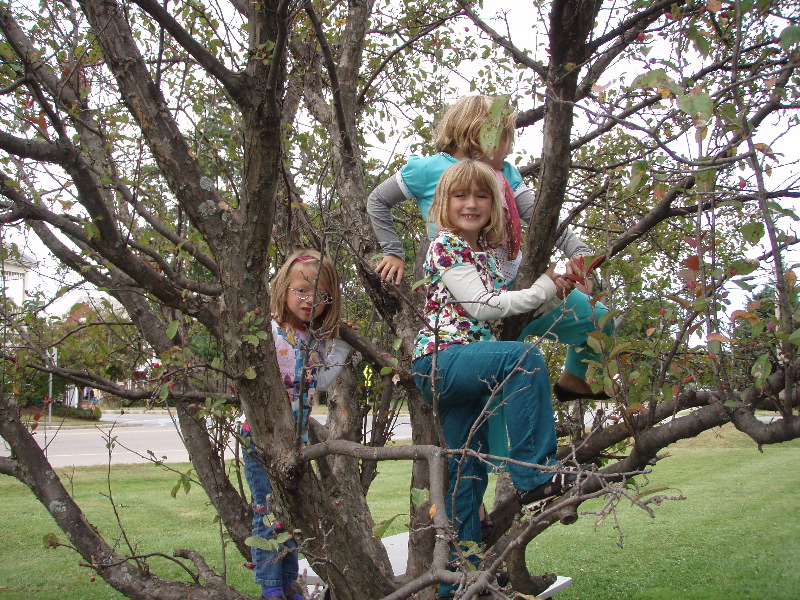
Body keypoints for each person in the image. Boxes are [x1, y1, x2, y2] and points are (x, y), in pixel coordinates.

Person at [411, 160, 585, 598]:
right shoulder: (445, 246)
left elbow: (511, 300)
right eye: (460, 196)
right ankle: (534, 477)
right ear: (443, 203)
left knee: (466, 468)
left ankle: (461, 576)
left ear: (495, 204)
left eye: (482, 196)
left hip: (469, 367)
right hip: (442, 362)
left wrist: (556, 285)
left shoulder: (486, 256)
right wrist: (546, 285)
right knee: (524, 359)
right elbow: (487, 305)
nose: (471, 204)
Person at [368, 94, 612, 402]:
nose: (508, 148)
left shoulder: (506, 172)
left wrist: (577, 251)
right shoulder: (428, 170)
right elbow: (378, 200)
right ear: (479, 133)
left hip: (518, 285)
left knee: (597, 318)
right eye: (504, 139)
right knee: (494, 392)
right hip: (470, 307)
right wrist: (394, 251)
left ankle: (575, 380)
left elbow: (541, 215)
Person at [240, 249, 352, 600]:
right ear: (284, 289)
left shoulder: (313, 339)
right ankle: (271, 589)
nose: (310, 300)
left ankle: (288, 584)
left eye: (320, 295)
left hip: (297, 442)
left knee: (290, 515)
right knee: (268, 511)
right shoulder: (269, 331)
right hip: (261, 437)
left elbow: (320, 381)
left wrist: (342, 345)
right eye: (301, 290)